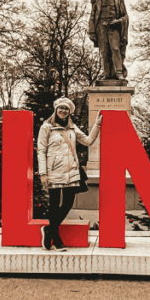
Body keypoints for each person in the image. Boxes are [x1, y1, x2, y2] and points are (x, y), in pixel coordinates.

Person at [37, 97, 102, 251]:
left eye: (66, 109)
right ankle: (56, 239)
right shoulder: (46, 127)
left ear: (69, 112)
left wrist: (97, 125)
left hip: (71, 171)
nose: (63, 111)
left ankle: (49, 230)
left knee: (67, 203)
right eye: (61, 108)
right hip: (53, 171)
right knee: (54, 205)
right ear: (56, 109)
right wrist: (43, 173)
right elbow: (41, 150)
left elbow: (88, 141)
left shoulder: (73, 128)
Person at [88, 0, 129, 80]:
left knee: (115, 49)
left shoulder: (119, 0)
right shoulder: (97, 2)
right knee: (104, 52)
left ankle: (119, 72)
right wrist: (92, 32)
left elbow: (125, 16)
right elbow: (92, 17)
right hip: (101, 29)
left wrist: (118, 21)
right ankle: (106, 73)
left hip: (114, 28)